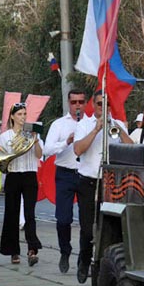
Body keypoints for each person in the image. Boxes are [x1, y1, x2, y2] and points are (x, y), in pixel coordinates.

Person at [73, 91, 129, 283]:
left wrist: (119, 129)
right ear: (93, 105)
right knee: (88, 229)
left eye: (107, 105)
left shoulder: (118, 125)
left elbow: (133, 148)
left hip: (111, 183)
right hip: (89, 181)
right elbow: (78, 149)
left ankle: (102, 270)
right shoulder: (84, 125)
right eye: (99, 104)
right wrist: (96, 130)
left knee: (110, 230)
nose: (103, 108)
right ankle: (84, 260)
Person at [43, 90, 87, 274]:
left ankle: (84, 260)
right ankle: (65, 251)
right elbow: (47, 149)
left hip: (85, 174)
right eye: (74, 102)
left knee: (87, 221)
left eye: (81, 102)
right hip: (65, 174)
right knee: (63, 219)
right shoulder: (59, 124)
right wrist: (66, 142)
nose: (78, 105)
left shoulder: (92, 123)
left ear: (85, 103)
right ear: (69, 103)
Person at [0, 102, 43, 265]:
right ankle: (13, 251)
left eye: (24, 114)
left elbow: (39, 155)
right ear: (12, 117)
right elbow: (0, 156)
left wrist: (36, 140)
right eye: (19, 114)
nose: (23, 117)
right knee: (12, 213)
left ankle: (32, 249)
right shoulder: (5, 137)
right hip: (13, 174)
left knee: (30, 213)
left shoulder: (32, 134)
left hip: (30, 174)